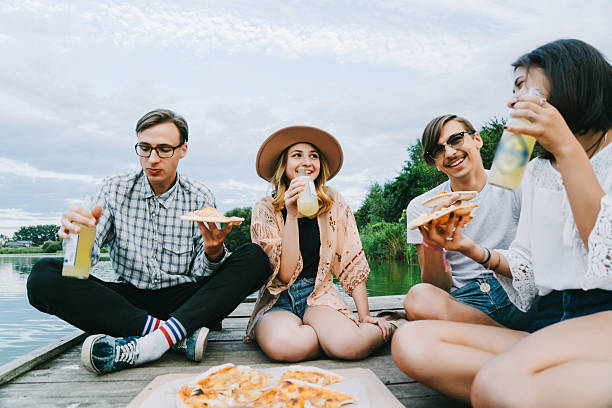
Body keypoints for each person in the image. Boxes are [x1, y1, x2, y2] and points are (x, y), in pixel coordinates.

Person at [391, 38, 612, 406]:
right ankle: (550, 377)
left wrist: (567, 148)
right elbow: (526, 261)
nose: (515, 101)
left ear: (575, 82)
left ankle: (527, 378)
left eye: (529, 88)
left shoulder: (542, 167)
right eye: (515, 90)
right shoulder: (540, 170)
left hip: (602, 313)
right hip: (548, 318)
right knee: (411, 342)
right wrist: (465, 248)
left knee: (497, 385)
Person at [27, 109, 271, 374]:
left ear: (182, 150)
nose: (152, 159)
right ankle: (170, 337)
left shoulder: (200, 195)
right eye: (145, 148)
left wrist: (213, 252)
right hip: (128, 302)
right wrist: (78, 239)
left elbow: (201, 275)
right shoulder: (115, 188)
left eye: (164, 149)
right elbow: (86, 264)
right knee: (43, 275)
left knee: (255, 257)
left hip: (185, 300)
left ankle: (155, 337)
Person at [245, 125, 403, 362]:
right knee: (285, 348)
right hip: (278, 299)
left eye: (314, 156)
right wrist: (292, 214)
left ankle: (391, 326)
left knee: (350, 347)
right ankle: (327, 338)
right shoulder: (265, 208)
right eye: (297, 155)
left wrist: (364, 316)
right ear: (283, 165)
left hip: (318, 293)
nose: (307, 162)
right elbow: (285, 275)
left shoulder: (333, 202)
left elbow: (352, 260)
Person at [404, 114, 532, 329]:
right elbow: (438, 286)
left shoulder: (514, 182)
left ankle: (488, 338)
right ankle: (516, 338)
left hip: (516, 289)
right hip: (465, 301)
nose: (450, 153)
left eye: (456, 140)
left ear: (477, 140)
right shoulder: (422, 206)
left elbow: (537, 261)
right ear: (435, 162)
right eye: (438, 150)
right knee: (419, 297)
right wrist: (434, 244)